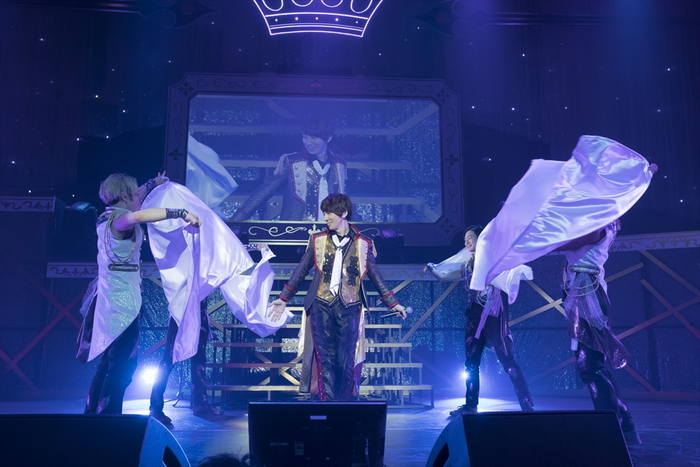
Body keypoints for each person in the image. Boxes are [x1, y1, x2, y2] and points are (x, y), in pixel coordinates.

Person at [77, 172, 201, 415]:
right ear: (124, 196)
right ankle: (108, 419)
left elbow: (137, 201)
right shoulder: (120, 220)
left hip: (111, 299)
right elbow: (139, 215)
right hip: (120, 304)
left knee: (108, 364)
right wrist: (181, 212)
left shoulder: (106, 215)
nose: (139, 198)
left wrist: (153, 183)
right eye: (135, 195)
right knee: (121, 368)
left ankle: (92, 417)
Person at [268, 194, 408, 401]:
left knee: (345, 358)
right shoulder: (318, 240)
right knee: (325, 358)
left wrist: (392, 303)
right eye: (324, 213)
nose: (325, 217)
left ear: (344, 213)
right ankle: (328, 403)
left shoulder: (363, 243)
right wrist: (284, 298)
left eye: (329, 213)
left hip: (350, 306)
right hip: (321, 304)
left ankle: (343, 403)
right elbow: (301, 269)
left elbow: (375, 275)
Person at [426, 226, 534, 416]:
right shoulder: (466, 265)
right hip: (474, 316)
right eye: (465, 238)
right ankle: (470, 406)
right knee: (471, 363)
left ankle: (526, 404)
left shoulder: (495, 261)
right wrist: (431, 268)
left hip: (493, 315)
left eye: (470, 237)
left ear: (481, 238)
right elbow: (443, 277)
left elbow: (508, 276)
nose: (466, 241)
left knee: (507, 359)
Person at [557, 219, 642, 444]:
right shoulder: (596, 221)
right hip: (582, 291)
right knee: (593, 366)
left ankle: (611, 430)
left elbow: (559, 243)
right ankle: (624, 425)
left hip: (587, 294)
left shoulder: (597, 224)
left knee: (590, 366)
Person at [232, 115, 347, 221]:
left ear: (328, 138)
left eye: (313, 137)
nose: (308, 142)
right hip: (295, 230)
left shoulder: (338, 165)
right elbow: (264, 192)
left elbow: (344, 201)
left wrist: (356, 227)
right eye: (305, 137)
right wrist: (236, 221)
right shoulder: (292, 162)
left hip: (329, 230)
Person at [148, 300, 214, 424]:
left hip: (198, 314)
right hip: (181, 313)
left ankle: (200, 403)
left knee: (198, 362)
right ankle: (155, 407)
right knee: (169, 359)